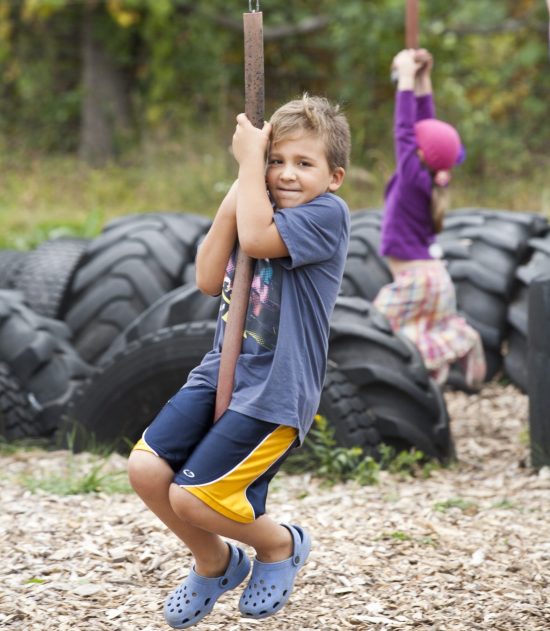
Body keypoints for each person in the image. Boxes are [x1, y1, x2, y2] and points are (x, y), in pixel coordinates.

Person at [128, 94, 351, 628]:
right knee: (145, 470)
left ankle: (280, 546)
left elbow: (256, 239)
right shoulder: (257, 200)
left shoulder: (327, 215)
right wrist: (244, 179)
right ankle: (216, 561)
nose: (286, 175)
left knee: (195, 499)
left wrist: (252, 170)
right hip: (221, 371)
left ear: (334, 177)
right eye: (277, 160)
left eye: (304, 163)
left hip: (275, 391)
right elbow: (208, 278)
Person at [373, 48, 486, 389]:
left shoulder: (411, 179)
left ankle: (447, 357)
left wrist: (406, 80)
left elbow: (405, 130)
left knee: (374, 325)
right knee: (417, 332)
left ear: (417, 153)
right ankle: (460, 341)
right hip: (436, 281)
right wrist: (425, 80)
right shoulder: (429, 176)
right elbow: (425, 126)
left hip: (416, 282)